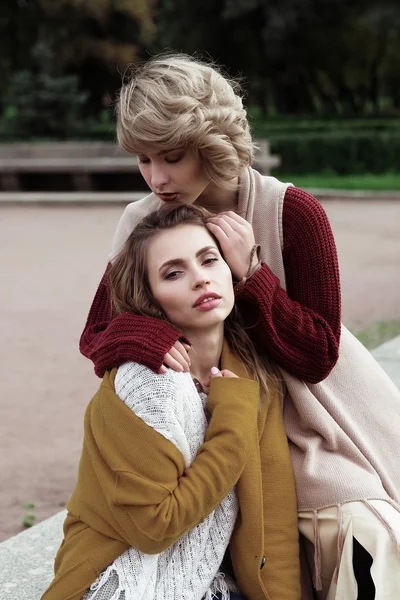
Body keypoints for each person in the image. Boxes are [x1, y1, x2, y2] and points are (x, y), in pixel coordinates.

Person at [79, 52, 400, 598]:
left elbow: (319, 353)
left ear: (210, 143)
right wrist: (152, 335)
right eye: (143, 160)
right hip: (212, 406)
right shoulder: (141, 221)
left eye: (173, 157)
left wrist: (253, 275)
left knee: (363, 526)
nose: (157, 178)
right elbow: (96, 337)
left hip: (311, 408)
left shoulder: (292, 212)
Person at [42, 204, 301, 600]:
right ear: (151, 298)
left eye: (209, 260)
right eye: (174, 273)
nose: (200, 279)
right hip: (120, 579)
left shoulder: (247, 370)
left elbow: (273, 518)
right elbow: (154, 529)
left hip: (208, 582)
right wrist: (233, 418)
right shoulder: (147, 382)